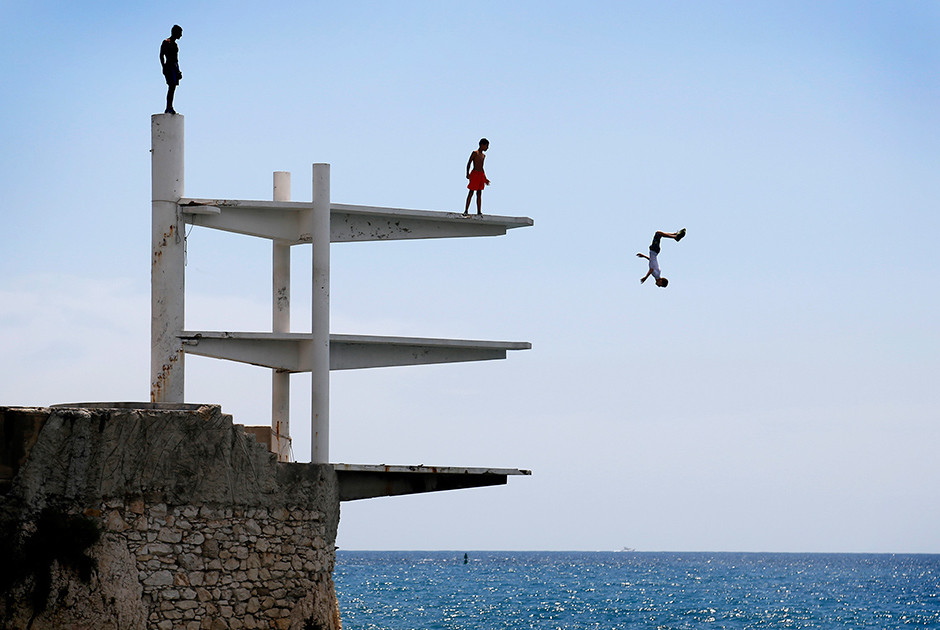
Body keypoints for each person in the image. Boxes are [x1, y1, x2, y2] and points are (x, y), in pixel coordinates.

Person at [160, 25, 183, 114]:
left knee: (173, 87)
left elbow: (176, 58)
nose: (180, 35)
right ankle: (168, 107)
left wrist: (178, 70)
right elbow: (161, 55)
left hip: (174, 66)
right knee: (171, 86)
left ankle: (170, 106)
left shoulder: (175, 44)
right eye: (180, 33)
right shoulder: (166, 42)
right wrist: (164, 66)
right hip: (169, 65)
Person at [464, 138, 490, 215]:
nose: (487, 148)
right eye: (486, 146)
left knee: (479, 193)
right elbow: (469, 163)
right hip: (474, 173)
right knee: (471, 191)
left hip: (480, 174)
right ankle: (466, 210)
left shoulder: (483, 155)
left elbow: (482, 167)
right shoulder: (475, 153)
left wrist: (485, 178)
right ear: (482, 145)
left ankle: (479, 211)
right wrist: (467, 173)